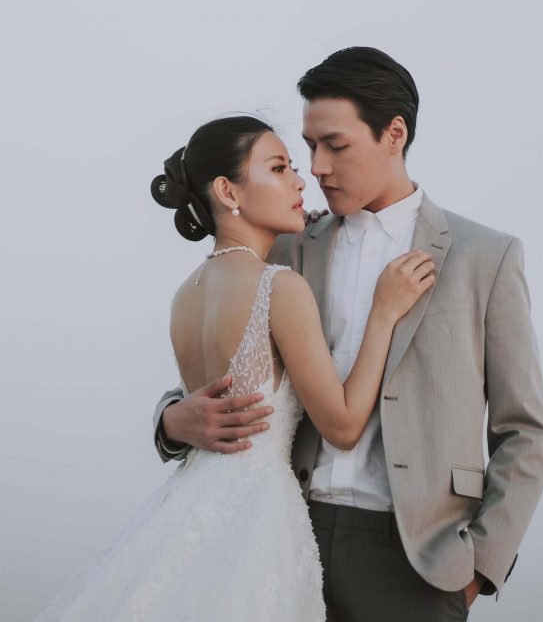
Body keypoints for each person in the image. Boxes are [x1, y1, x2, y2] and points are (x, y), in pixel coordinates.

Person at [156, 48, 543, 621]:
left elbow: (525, 431)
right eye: (310, 147)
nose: (315, 167)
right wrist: (171, 420)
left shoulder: (484, 257)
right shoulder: (285, 250)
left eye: (334, 145)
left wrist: (480, 569)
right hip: (286, 541)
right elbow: (218, 369)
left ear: (394, 134)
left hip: (418, 561)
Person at [35, 114, 436, 621]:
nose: (300, 180)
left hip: (185, 509)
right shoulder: (280, 287)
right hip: (255, 517)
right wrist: (382, 314)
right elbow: (343, 424)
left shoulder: (187, 294)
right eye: (279, 167)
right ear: (228, 191)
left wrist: (171, 420)